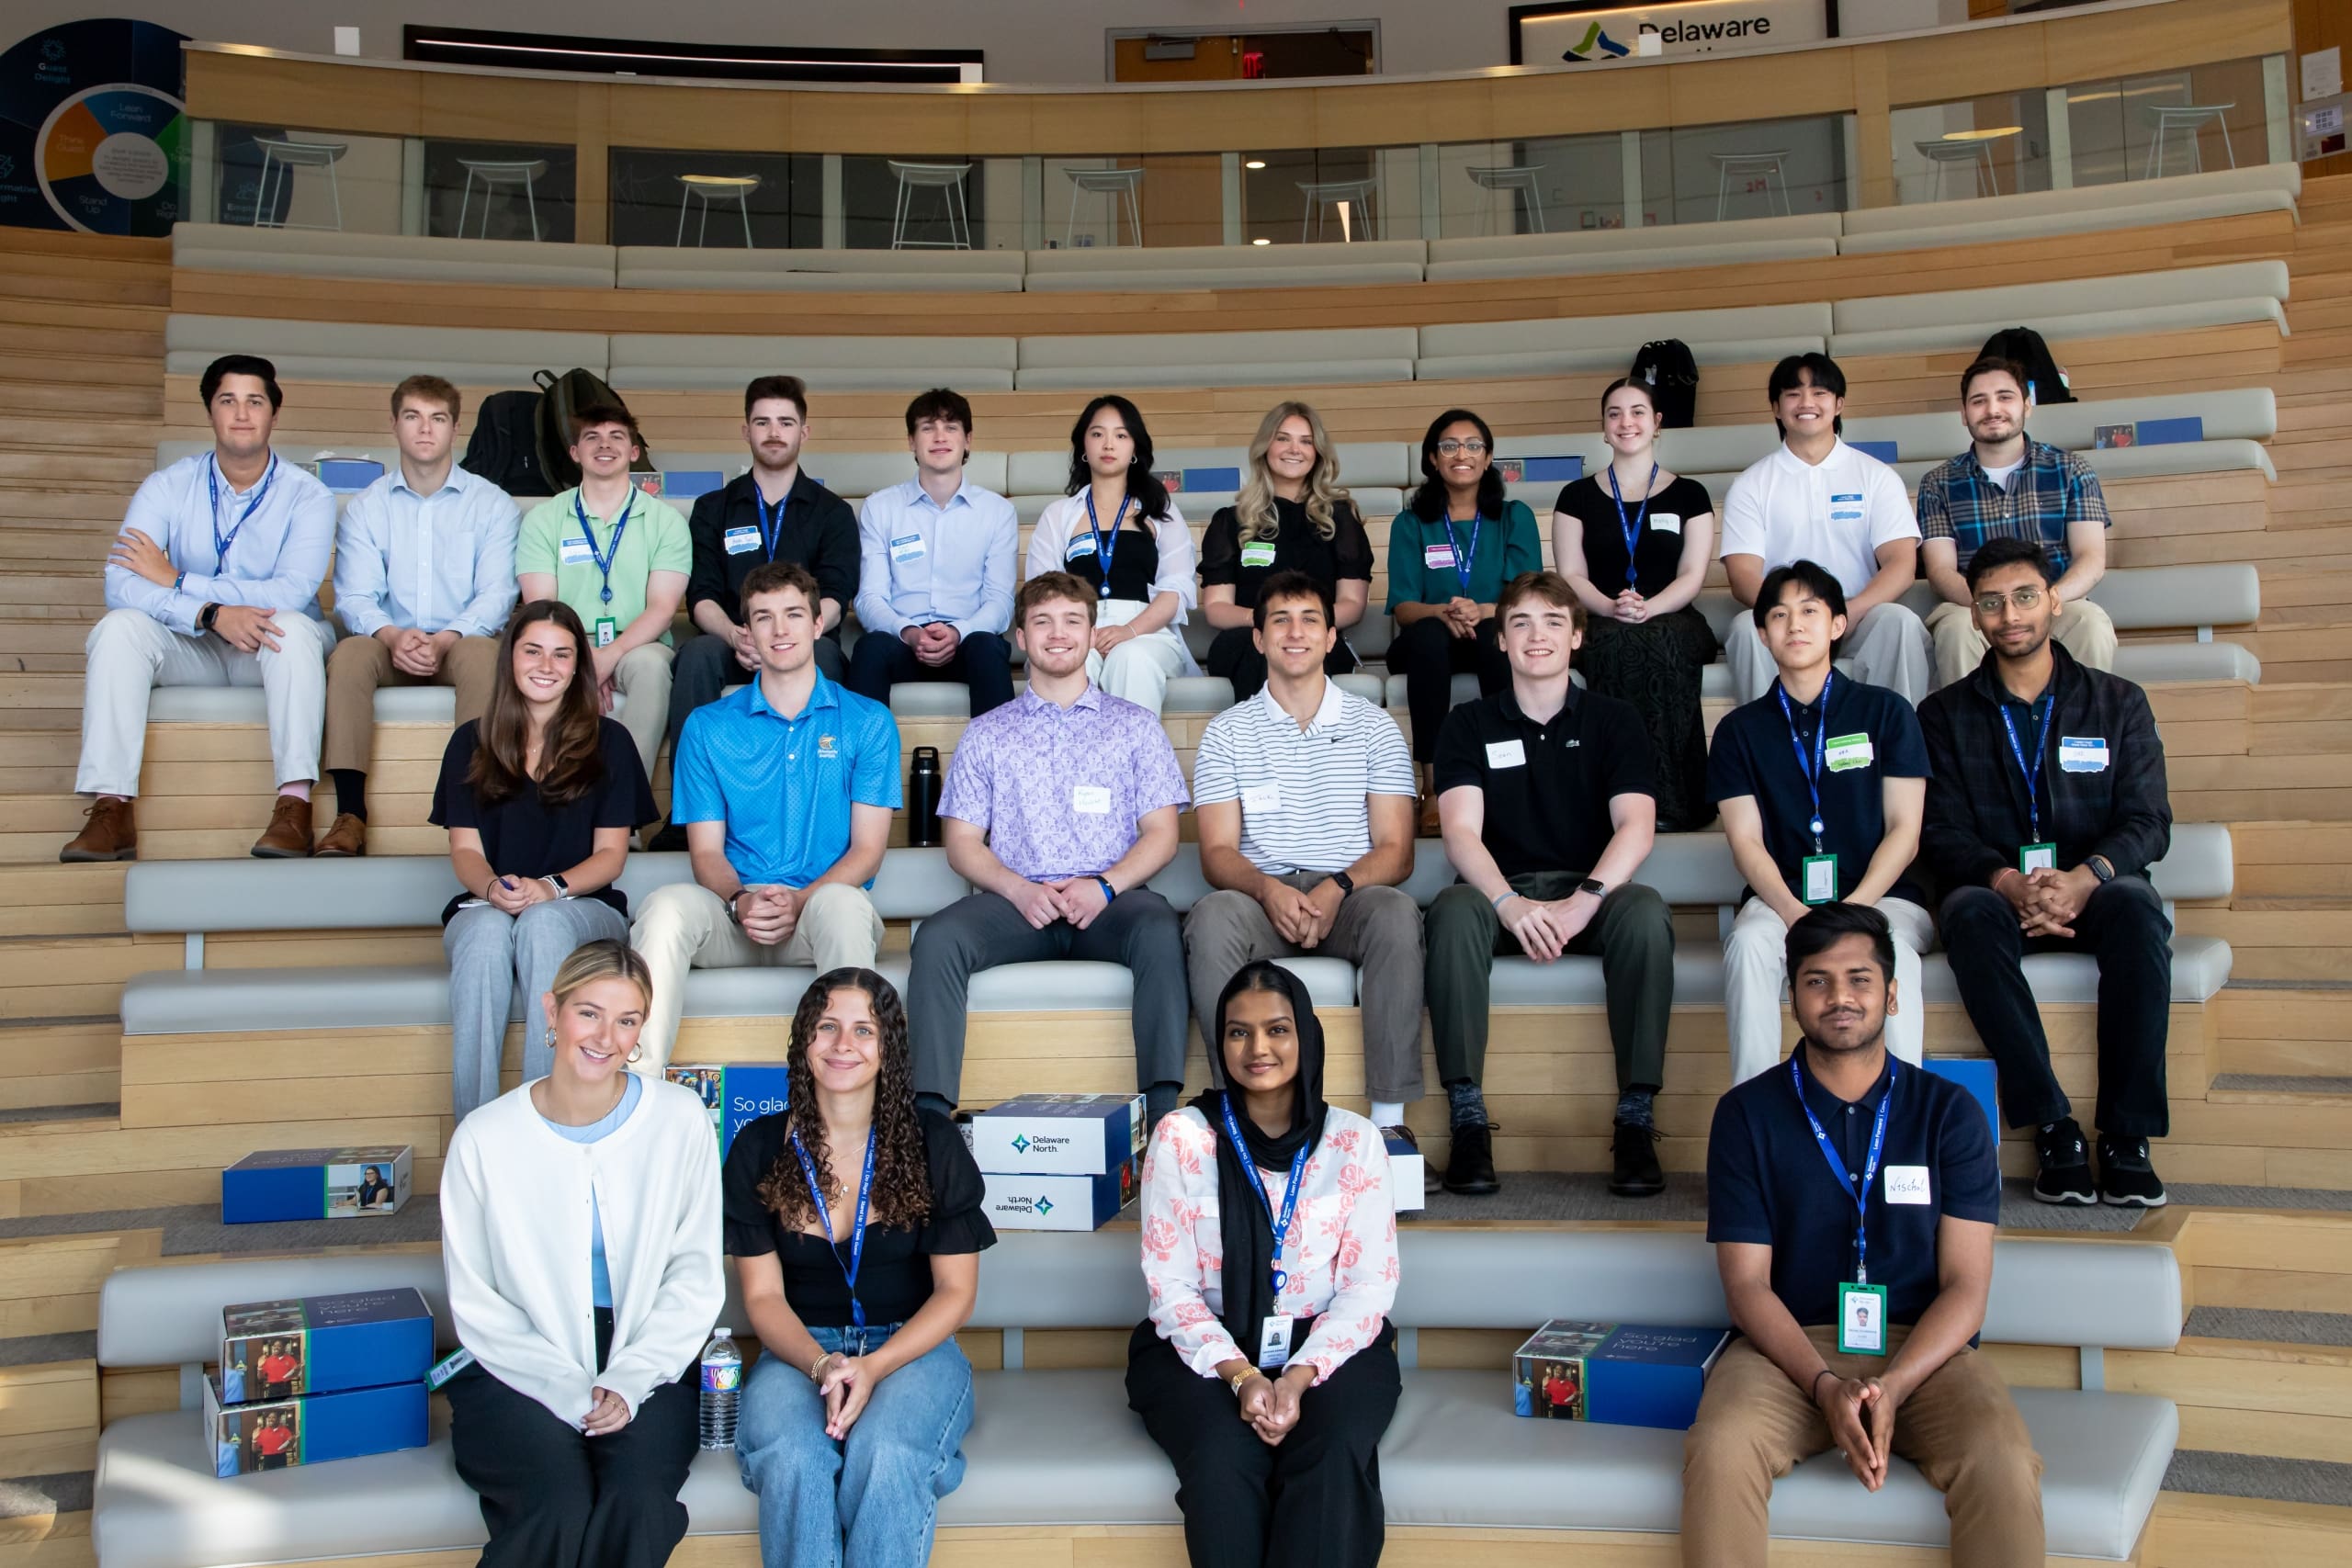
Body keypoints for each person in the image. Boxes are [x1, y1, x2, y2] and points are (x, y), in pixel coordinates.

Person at [1683, 903, 2041, 1568]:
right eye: (1816, 980)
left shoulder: (1949, 1114)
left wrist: (1897, 1386)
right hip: (1785, 1350)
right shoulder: (1745, 1114)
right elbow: (1746, 1286)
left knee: (2003, 1458)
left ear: (1893, 993)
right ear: (1792, 996)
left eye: (1859, 979)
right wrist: (1824, 1385)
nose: (1839, 997)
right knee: (1722, 1443)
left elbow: (1967, 1287)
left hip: (1924, 1349)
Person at [440, 939, 724, 1568]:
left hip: (650, 1356)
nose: (606, 1036)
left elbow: (695, 1276)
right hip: (514, 1360)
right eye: (589, 1012)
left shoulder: (680, 1120)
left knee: (638, 1502)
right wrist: (570, 1390)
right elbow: (477, 1301)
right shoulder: (484, 1138)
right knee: (556, 1504)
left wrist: (628, 1378)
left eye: (627, 1020)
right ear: (553, 1010)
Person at [1920, 537, 2173, 1208]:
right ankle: (2052, 1125)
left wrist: (2083, 876)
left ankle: (2126, 1133)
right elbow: (1940, 829)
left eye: (2026, 596)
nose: (2011, 614)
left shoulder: (2119, 703)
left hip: (2094, 888)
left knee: (2141, 911)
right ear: (1973, 616)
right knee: (1966, 913)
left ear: (2055, 601)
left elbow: (2149, 821)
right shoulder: (1941, 717)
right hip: (1999, 892)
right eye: (1993, 602)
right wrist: (2009, 882)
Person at [1127, 961, 1400, 1568]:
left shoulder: (1354, 1142)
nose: (1258, 1048)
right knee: (1223, 1461)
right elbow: (1170, 1287)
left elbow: (1368, 1288)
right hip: (1202, 1349)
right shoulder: (1181, 1136)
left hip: (1330, 1344)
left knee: (1330, 1453)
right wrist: (1243, 1375)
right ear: (1220, 1042)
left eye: (1277, 1029)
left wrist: (1298, 1376)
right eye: (1237, 1031)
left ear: (1305, 1034)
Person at [729, 969, 996, 1568]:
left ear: (889, 1048)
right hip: (800, 1351)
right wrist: (824, 1364)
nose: (842, 1044)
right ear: (803, 1041)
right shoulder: (757, 1145)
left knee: (888, 1452)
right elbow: (765, 1297)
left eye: (862, 1029)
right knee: (794, 1457)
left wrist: (872, 1365)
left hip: (912, 1348)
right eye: (826, 1026)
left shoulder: (933, 1142)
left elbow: (956, 1294)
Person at [1427, 570, 1675, 1199]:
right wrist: (1508, 904)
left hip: (1589, 893)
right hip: (1497, 894)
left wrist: (1582, 902)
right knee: (1452, 910)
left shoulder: (1615, 720)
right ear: (1501, 642)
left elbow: (1637, 827)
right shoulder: (1467, 723)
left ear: (1578, 636)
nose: (1537, 636)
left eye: (1553, 622)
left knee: (1645, 911)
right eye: (1521, 623)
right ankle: (1468, 1118)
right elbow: (1460, 832)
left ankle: (1637, 1118)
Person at [909, 572, 1192, 1122]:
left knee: (1160, 927)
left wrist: (1105, 885)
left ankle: (1162, 1116)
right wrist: (1017, 889)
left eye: (1072, 621)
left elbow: (1163, 834)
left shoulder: (1136, 727)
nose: (1057, 634)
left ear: (1091, 633)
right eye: (1042, 622)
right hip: (1017, 904)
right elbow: (961, 843)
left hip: (1111, 902)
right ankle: (931, 1122)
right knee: (938, 938)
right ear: (1020, 636)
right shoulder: (987, 733)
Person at [1183, 572, 1425, 1151]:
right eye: (1280, 621)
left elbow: (1398, 850)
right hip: (1261, 898)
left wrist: (1339, 886)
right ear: (1259, 640)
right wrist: (1268, 891)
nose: (1296, 633)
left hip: (1350, 896)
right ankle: (1238, 1122)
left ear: (1331, 634)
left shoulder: (1374, 727)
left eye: (1310, 619)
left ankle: (1389, 1122)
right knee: (1211, 916)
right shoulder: (1227, 733)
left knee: (1396, 913)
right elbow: (1216, 854)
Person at [62, 353, 336, 863]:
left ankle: (294, 808)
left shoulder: (309, 495)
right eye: (226, 400)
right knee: (119, 627)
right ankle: (111, 809)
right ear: (209, 412)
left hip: (267, 648)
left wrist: (177, 579)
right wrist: (208, 613)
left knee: (295, 628)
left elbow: (292, 592)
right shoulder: (167, 486)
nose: (241, 413)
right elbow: (119, 582)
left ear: (274, 415)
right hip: (193, 644)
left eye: (254, 401)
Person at [633, 562, 899, 1074]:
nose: (780, 630)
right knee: (664, 906)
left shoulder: (868, 721)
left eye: (793, 615)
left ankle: (857, 1095)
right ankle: (639, 1088)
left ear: (818, 625)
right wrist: (740, 900)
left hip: (818, 913)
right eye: (763, 617)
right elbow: (706, 853)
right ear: (747, 632)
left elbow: (867, 853)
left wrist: (800, 900)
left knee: (844, 906)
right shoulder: (707, 726)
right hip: (734, 914)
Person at [1708, 561, 1933, 1087]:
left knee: (1894, 952)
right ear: (1762, 635)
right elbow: (1744, 840)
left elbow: (1906, 829)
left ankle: (1901, 1124)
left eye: (1811, 611)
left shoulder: (1887, 713)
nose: (1795, 625)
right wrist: (1795, 913)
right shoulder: (1739, 732)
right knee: (1747, 946)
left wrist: (1855, 910)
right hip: (1783, 900)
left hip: (1884, 897)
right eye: (1780, 615)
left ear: (1838, 624)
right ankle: (1757, 1120)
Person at [431, 601, 656, 1121]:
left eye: (562, 654)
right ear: (510, 658)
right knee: (487, 934)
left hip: (580, 905)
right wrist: (491, 890)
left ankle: (542, 1126)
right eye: (533, 651)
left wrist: (549, 888)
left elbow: (611, 856)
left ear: (578, 666)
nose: (546, 665)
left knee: (542, 923)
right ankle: (475, 1136)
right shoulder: (471, 740)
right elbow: (465, 851)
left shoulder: (611, 742)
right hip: (488, 902)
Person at [316, 373, 520, 857]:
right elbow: (354, 597)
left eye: (437, 418)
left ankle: (475, 809)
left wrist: (447, 638)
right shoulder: (366, 507)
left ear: (455, 428)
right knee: (349, 654)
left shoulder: (491, 504)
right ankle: (349, 815)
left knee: (481, 652)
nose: (425, 429)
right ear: (394, 425)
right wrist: (391, 635)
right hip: (389, 644)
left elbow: (496, 596)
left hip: (459, 642)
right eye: (413, 417)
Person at [1551, 377, 1718, 830]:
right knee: (1613, 647)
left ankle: (1671, 798)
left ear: (1658, 422)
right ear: (1604, 428)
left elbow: (1692, 576)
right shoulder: (1575, 497)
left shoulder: (1691, 495)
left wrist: (1651, 607)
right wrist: (1608, 606)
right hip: (1600, 616)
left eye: (1638, 412)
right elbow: (1571, 575)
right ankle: (1616, 797)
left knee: (1656, 642)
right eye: (1615, 414)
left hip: (1673, 615)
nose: (1627, 422)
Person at [1720, 354, 1930, 706]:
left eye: (1819, 392)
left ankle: (1897, 750)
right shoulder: (1751, 484)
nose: (1806, 403)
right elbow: (1742, 576)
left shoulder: (1876, 476)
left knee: (1900, 623)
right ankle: (1767, 750)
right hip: (1786, 616)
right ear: (1775, 407)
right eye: (1793, 394)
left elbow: (1901, 564)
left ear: (1838, 404)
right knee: (1745, 629)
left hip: (1857, 613)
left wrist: (1850, 611)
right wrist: (1794, 615)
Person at [671, 375, 859, 755]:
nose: (774, 432)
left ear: (804, 432)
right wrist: (733, 634)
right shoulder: (711, 509)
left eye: (785, 423)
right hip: (732, 640)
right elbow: (701, 595)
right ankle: (686, 805)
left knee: (825, 655)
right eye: (763, 422)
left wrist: (793, 635)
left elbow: (837, 594)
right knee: (694, 655)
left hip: (806, 642)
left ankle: (822, 790)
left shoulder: (833, 512)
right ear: (746, 431)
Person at [1917, 355, 2119, 688]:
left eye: (2005, 397)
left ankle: (2081, 731)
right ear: (1963, 414)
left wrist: (2042, 601)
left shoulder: (2071, 470)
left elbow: (2091, 558)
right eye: (1978, 401)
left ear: (2027, 405)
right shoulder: (1938, 483)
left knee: (2091, 623)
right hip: (1974, 607)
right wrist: (1991, 606)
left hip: (2055, 603)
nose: (1992, 409)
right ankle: (1971, 737)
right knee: (1954, 629)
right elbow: (1940, 572)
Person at [1385, 409, 1544, 831]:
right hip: (1427, 641)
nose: (1462, 454)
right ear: (1433, 459)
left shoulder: (1515, 517)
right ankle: (1434, 788)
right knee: (1429, 638)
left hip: (1492, 631)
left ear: (1488, 458)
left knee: (1498, 635)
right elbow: (1403, 608)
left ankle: (1507, 775)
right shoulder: (1410, 523)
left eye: (1473, 445)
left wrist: (1484, 610)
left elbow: (1526, 597)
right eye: (1449, 445)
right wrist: (1442, 611)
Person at [515, 402, 690, 781]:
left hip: (638, 642)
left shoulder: (667, 522)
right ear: (575, 453)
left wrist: (610, 655)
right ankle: (547, 802)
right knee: (540, 660)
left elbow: (662, 608)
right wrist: (581, 658)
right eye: (592, 437)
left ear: (634, 452)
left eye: (616, 437)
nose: (604, 445)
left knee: (651, 667)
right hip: (562, 640)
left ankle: (625, 809)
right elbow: (544, 607)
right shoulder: (543, 519)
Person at [847, 388, 1018, 716]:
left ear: (968, 439)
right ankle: (865, 766)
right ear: (912, 441)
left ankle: (999, 766)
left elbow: (999, 602)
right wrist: (910, 633)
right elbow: (869, 598)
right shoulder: (880, 507)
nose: (939, 436)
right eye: (927, 427)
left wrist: (957, 632)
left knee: (988, 648)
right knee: (870, 649)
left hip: (968, 640)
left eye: (951, 427)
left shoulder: (997, 511)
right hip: (901, 639)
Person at [1025, 395, 1200, 715]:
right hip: (1074, 629)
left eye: (1121, 435)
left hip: (1145, 632)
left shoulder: (1162, 512)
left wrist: (1128, 631)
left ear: (1135, 449)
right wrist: (1079, 632)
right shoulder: (1058, 514)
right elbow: (1041, 591)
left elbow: (1176, 590)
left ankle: (1133, 764)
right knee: (1072, 661)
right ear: (1083, 446)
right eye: (1097, 434)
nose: (1108, 444)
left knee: (1130, 658)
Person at [1197, 401, 1373, 703]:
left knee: (1302, 647)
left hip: (1317, 639)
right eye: (1283, 438)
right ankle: (1270, 747)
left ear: (1317, 452)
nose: (1295, 449)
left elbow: (1353, 603)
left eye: (1306, 441)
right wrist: (1268, 621)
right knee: (1256, 647)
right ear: (1266, 446)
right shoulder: (1231, 520)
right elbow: (1216, 608)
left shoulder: (1340, 518)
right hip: (1248, 637)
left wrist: (1302, 625)